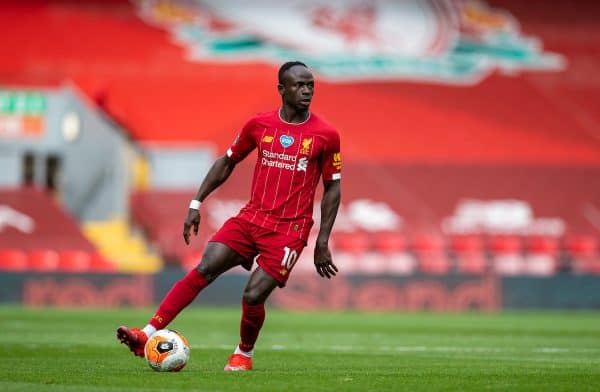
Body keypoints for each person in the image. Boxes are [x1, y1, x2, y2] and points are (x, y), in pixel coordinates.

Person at [116, 61, 342, 371]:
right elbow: (227, 162)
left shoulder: (326, 135)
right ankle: (147, 334)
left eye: (310, 85)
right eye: (299, 85)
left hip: (290, 230)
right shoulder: (258, 125)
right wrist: (196, 204)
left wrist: (322, 241)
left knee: (253, 295)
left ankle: (243, 354)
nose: (306, 90)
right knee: (205, 267)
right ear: (281, 89)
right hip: (251, 219)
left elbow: (333, 189)